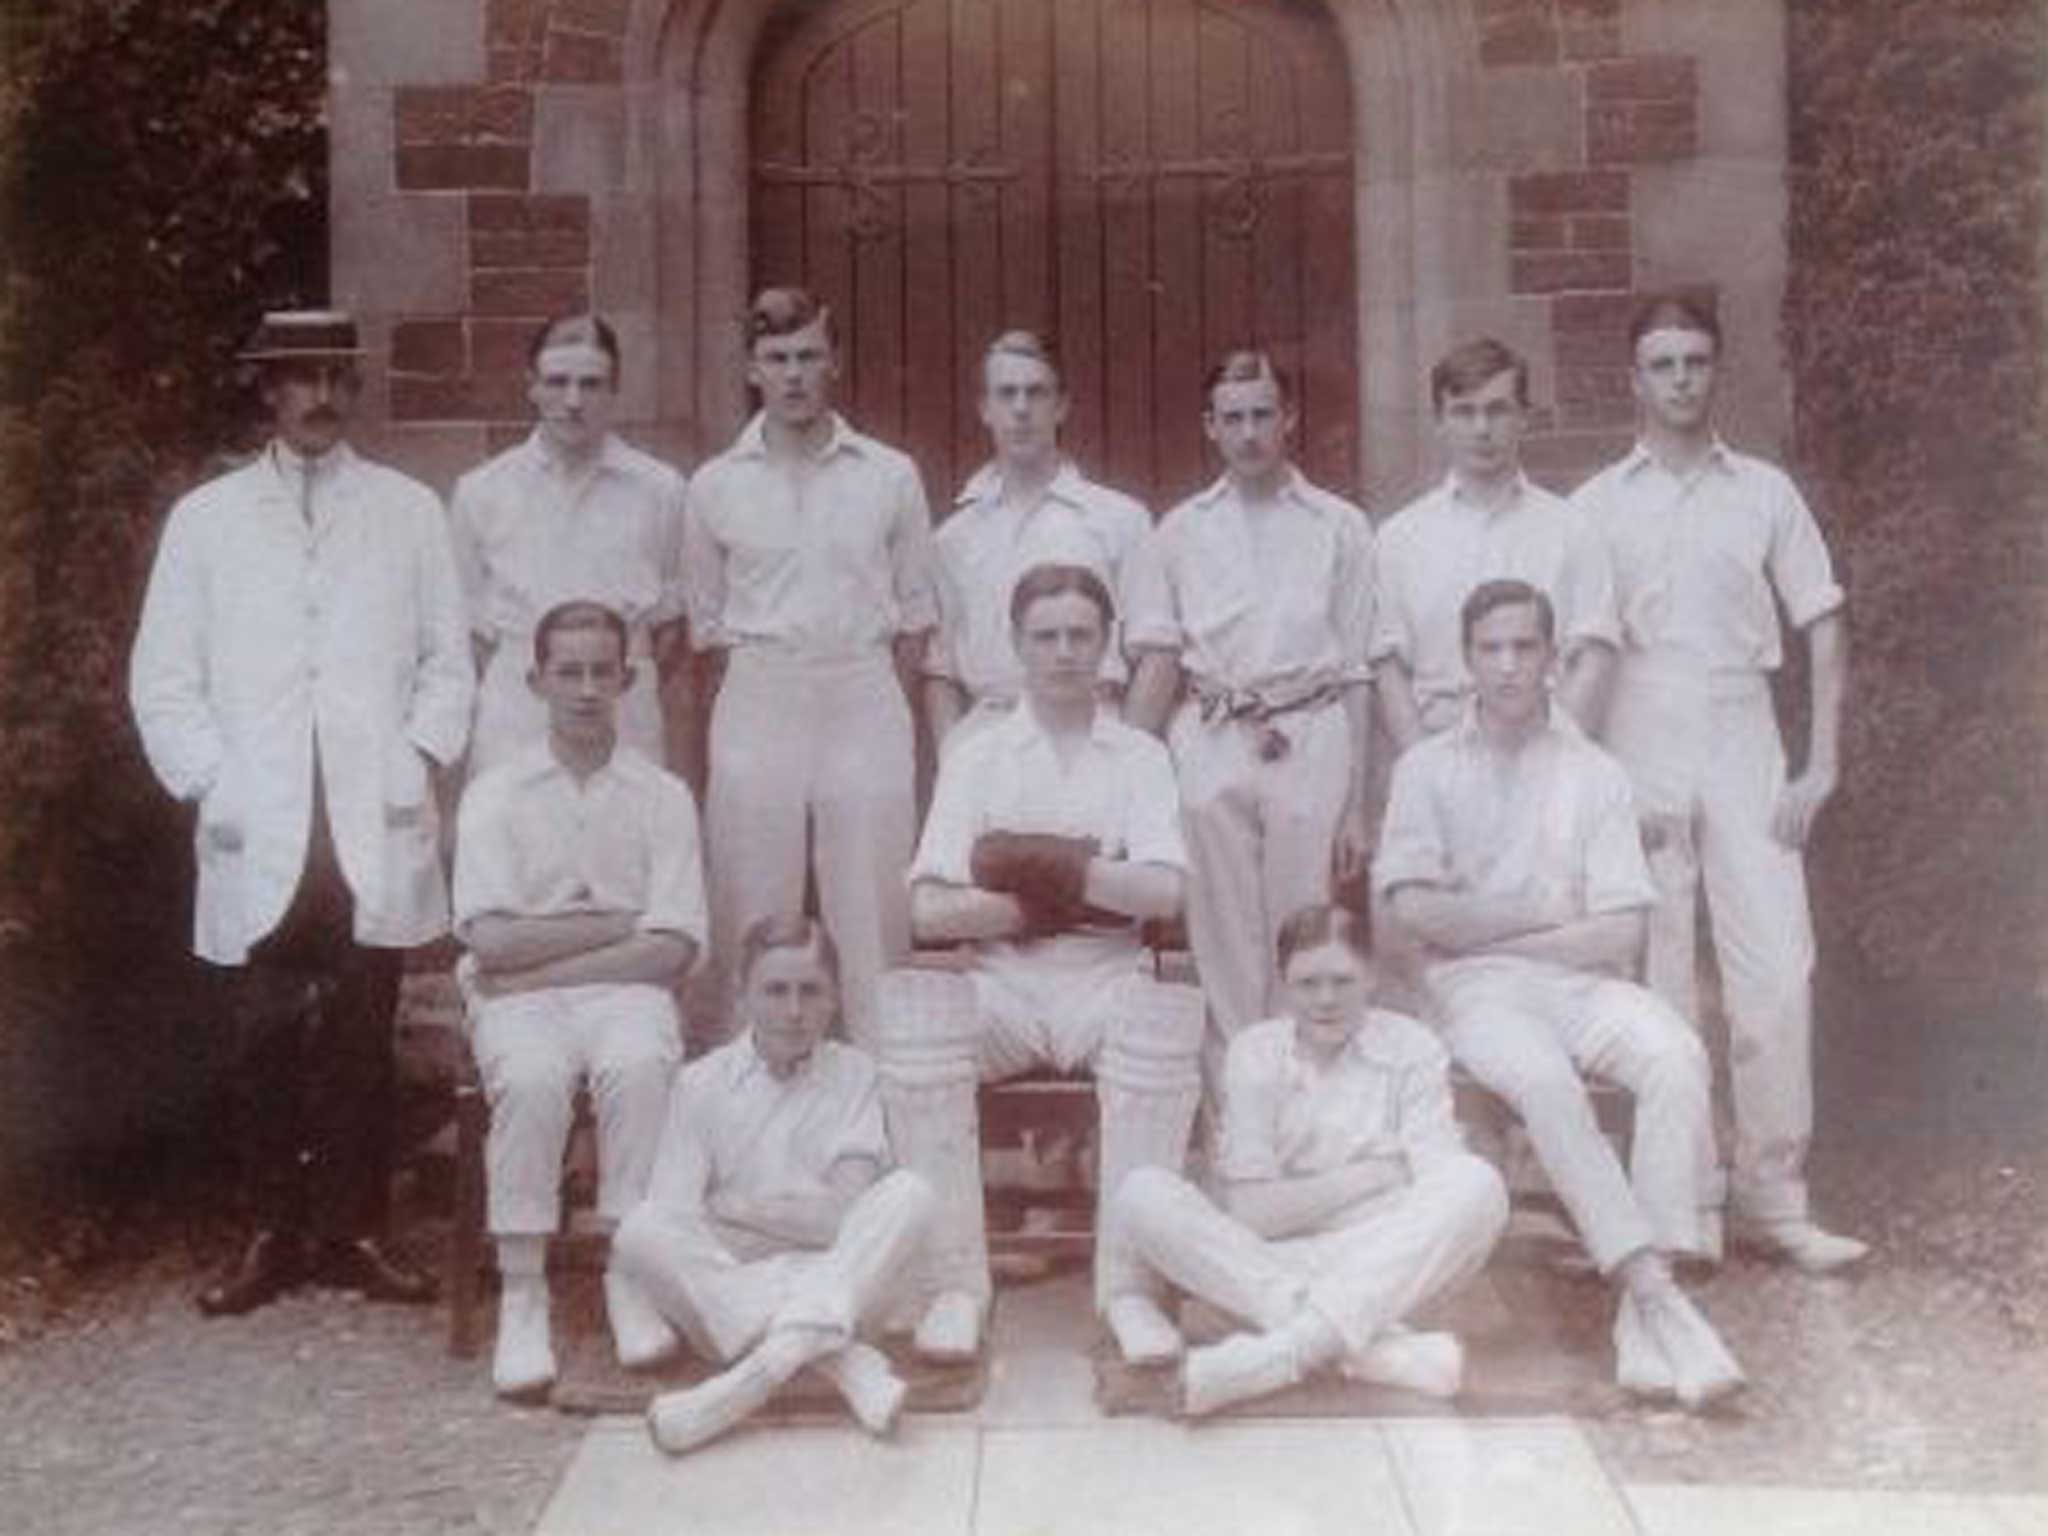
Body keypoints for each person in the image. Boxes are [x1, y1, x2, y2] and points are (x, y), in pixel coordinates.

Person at [129, 309, 471, 1315]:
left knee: (364, 1028)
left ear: (353, 391)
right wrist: (211, 781)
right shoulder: (209, 519)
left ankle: (359, 1229)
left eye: (335, 378)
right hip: (259, 808)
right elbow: (162, 679)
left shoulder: (408, 511)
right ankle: (273, 1232)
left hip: (367, 806)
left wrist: (414, 760)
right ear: (267, 392)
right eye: (298, 378)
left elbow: (449, 664)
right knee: (264, 1034)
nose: (320, 397)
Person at [1377, 579, 1743, 1409]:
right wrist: (1527, 918)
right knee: (1543, 1081)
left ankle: (1637, 1309)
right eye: (1490, 648)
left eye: (1525, 647)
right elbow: (1410, 913)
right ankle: (1658, 1296)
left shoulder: (1597, 773)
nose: (1508, 667)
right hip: (1478, 994)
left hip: (1583, 981)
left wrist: (1480, 925)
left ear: (1553, 657)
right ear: (1466, 659)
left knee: (1675, 1053)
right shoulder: (1426, 768)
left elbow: (1620, 935)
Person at [1570, 292, 1867, 1274]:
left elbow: (1820, 622)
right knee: (1658, 975)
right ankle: (1680, 1201)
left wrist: (1819, 763)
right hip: (1636, 723)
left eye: (1694, 360)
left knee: (1774, 971)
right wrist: (1594, 786)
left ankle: (1772, 1198)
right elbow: (1586, 650)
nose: (1679, 380)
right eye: (1660, 364)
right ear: (1633, 379)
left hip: (1741, 725)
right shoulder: (1596, 506)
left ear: (1715, 370)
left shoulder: (1764, 491)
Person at [878, 562, 1207, 1366]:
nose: (1064, 652)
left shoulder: (1139, 755)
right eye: (1046, 636)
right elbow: (927, 909)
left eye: (1081, 635)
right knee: (917, 1018)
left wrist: (1041, 863)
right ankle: (954, 1284)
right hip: (1006, 982)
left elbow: (1164, 894)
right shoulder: (978, 754)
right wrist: (1077, 892)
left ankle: (1130, 1288)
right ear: (1016, 645)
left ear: (1108, 646)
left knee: (1160, 1020)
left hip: (1104, 977)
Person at [1105, 904, 1508, 1418]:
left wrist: (1303, 1202)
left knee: (1478, 1184)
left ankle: (1279, 1355)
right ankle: (1372, 1352)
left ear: (1372, 978)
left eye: (1342, 981)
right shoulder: (1255, 1053)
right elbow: (1254, 1215)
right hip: (1280, 1264)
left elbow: (1436, 1191)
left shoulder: (1413, 1048)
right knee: (1143, 1193)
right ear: (1284, 985)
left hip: (1381, 1259)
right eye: (1307, 983)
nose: (1325, 1000)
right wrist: (1378, 1173)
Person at [452, 600, 705, 1399]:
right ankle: (524, 1293)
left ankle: (627, 1271)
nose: (588, 689)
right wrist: (611, 924)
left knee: (638, 1065)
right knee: (528, 1080)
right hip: (523, 1008)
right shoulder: (495, 792)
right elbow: (488, 941)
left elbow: (674, 948)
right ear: (537, 681)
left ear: (628, 680)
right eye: (570, 671)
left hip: (629, 993)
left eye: (604, 671)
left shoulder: (662, 796)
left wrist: (537, 963)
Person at [682, 287, 937, 1050]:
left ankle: (888, 1088)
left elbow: (916, 617)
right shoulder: (715, 484)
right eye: (777, 359)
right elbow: (706, 624)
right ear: (751, 368)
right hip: (761, 685)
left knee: (871, 899)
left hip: (862, 682)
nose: (794, 375)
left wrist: (864, 685)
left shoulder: (888, 475)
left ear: (835, 363)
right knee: (749, 894)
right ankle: (738, 1082)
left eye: (809, 357)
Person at [1123, 350, 1375, 1080]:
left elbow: (1357, 666)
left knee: (1302, 917)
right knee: (1224, 927)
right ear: (1210, 427)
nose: (1250, 432)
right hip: (1213, 734)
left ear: (1290, 419)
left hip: (1310, 728)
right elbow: (1160, 655)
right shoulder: (1177, 531)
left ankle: (1305, 1084)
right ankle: (1241, 1091)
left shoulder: (1340, 525)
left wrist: (1357, 804)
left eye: (1264, 414)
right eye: (1232, 418)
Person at [613, 916, 935, 1457]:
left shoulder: (856, 1073)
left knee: (911, 1194)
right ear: (743, 996)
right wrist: (794, 1226)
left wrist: (736, 1207)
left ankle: (748, 1382)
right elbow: (680, 1217)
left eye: (811, 991)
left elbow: (841, 1221)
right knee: (640, 1230)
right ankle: (840, 1360)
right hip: (741, 1289)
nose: (793, 1010)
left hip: (826, 1275)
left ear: (834, 999)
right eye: (775, 990)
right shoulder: (700, 1084)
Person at [449, 313, 689, 777]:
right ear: (531, 386)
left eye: (591, 384)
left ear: (614, 390)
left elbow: (671, 632)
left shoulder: (661, 490)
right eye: (557, 382)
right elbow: (471, 633)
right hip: (516, 711)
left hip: (623, 710)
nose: (574, 401)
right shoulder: (482, 491)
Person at [1372, 337, 1613, 753]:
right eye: (1464, 412)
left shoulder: (1572, 528)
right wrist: (1424, 770)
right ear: (1439, 422)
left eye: (1497, 410)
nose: (1481, 429)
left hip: (1547, 748)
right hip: (1439, 747)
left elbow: (1595, 652)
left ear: (1523, 417)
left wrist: (1555, 759)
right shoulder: (1400, 538)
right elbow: (1388, 666)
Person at [924, 330, 1151, 748]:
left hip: (1094, 729)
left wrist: (1128, 756)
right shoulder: (953, 538)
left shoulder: (1121, 520)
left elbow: (1156, 653)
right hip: (990, 736)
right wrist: (954, 757)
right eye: (1006, 394)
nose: (1021, 409)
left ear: (1061, 406)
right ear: (984, 409)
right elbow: (941, 671)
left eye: (1036, 393)